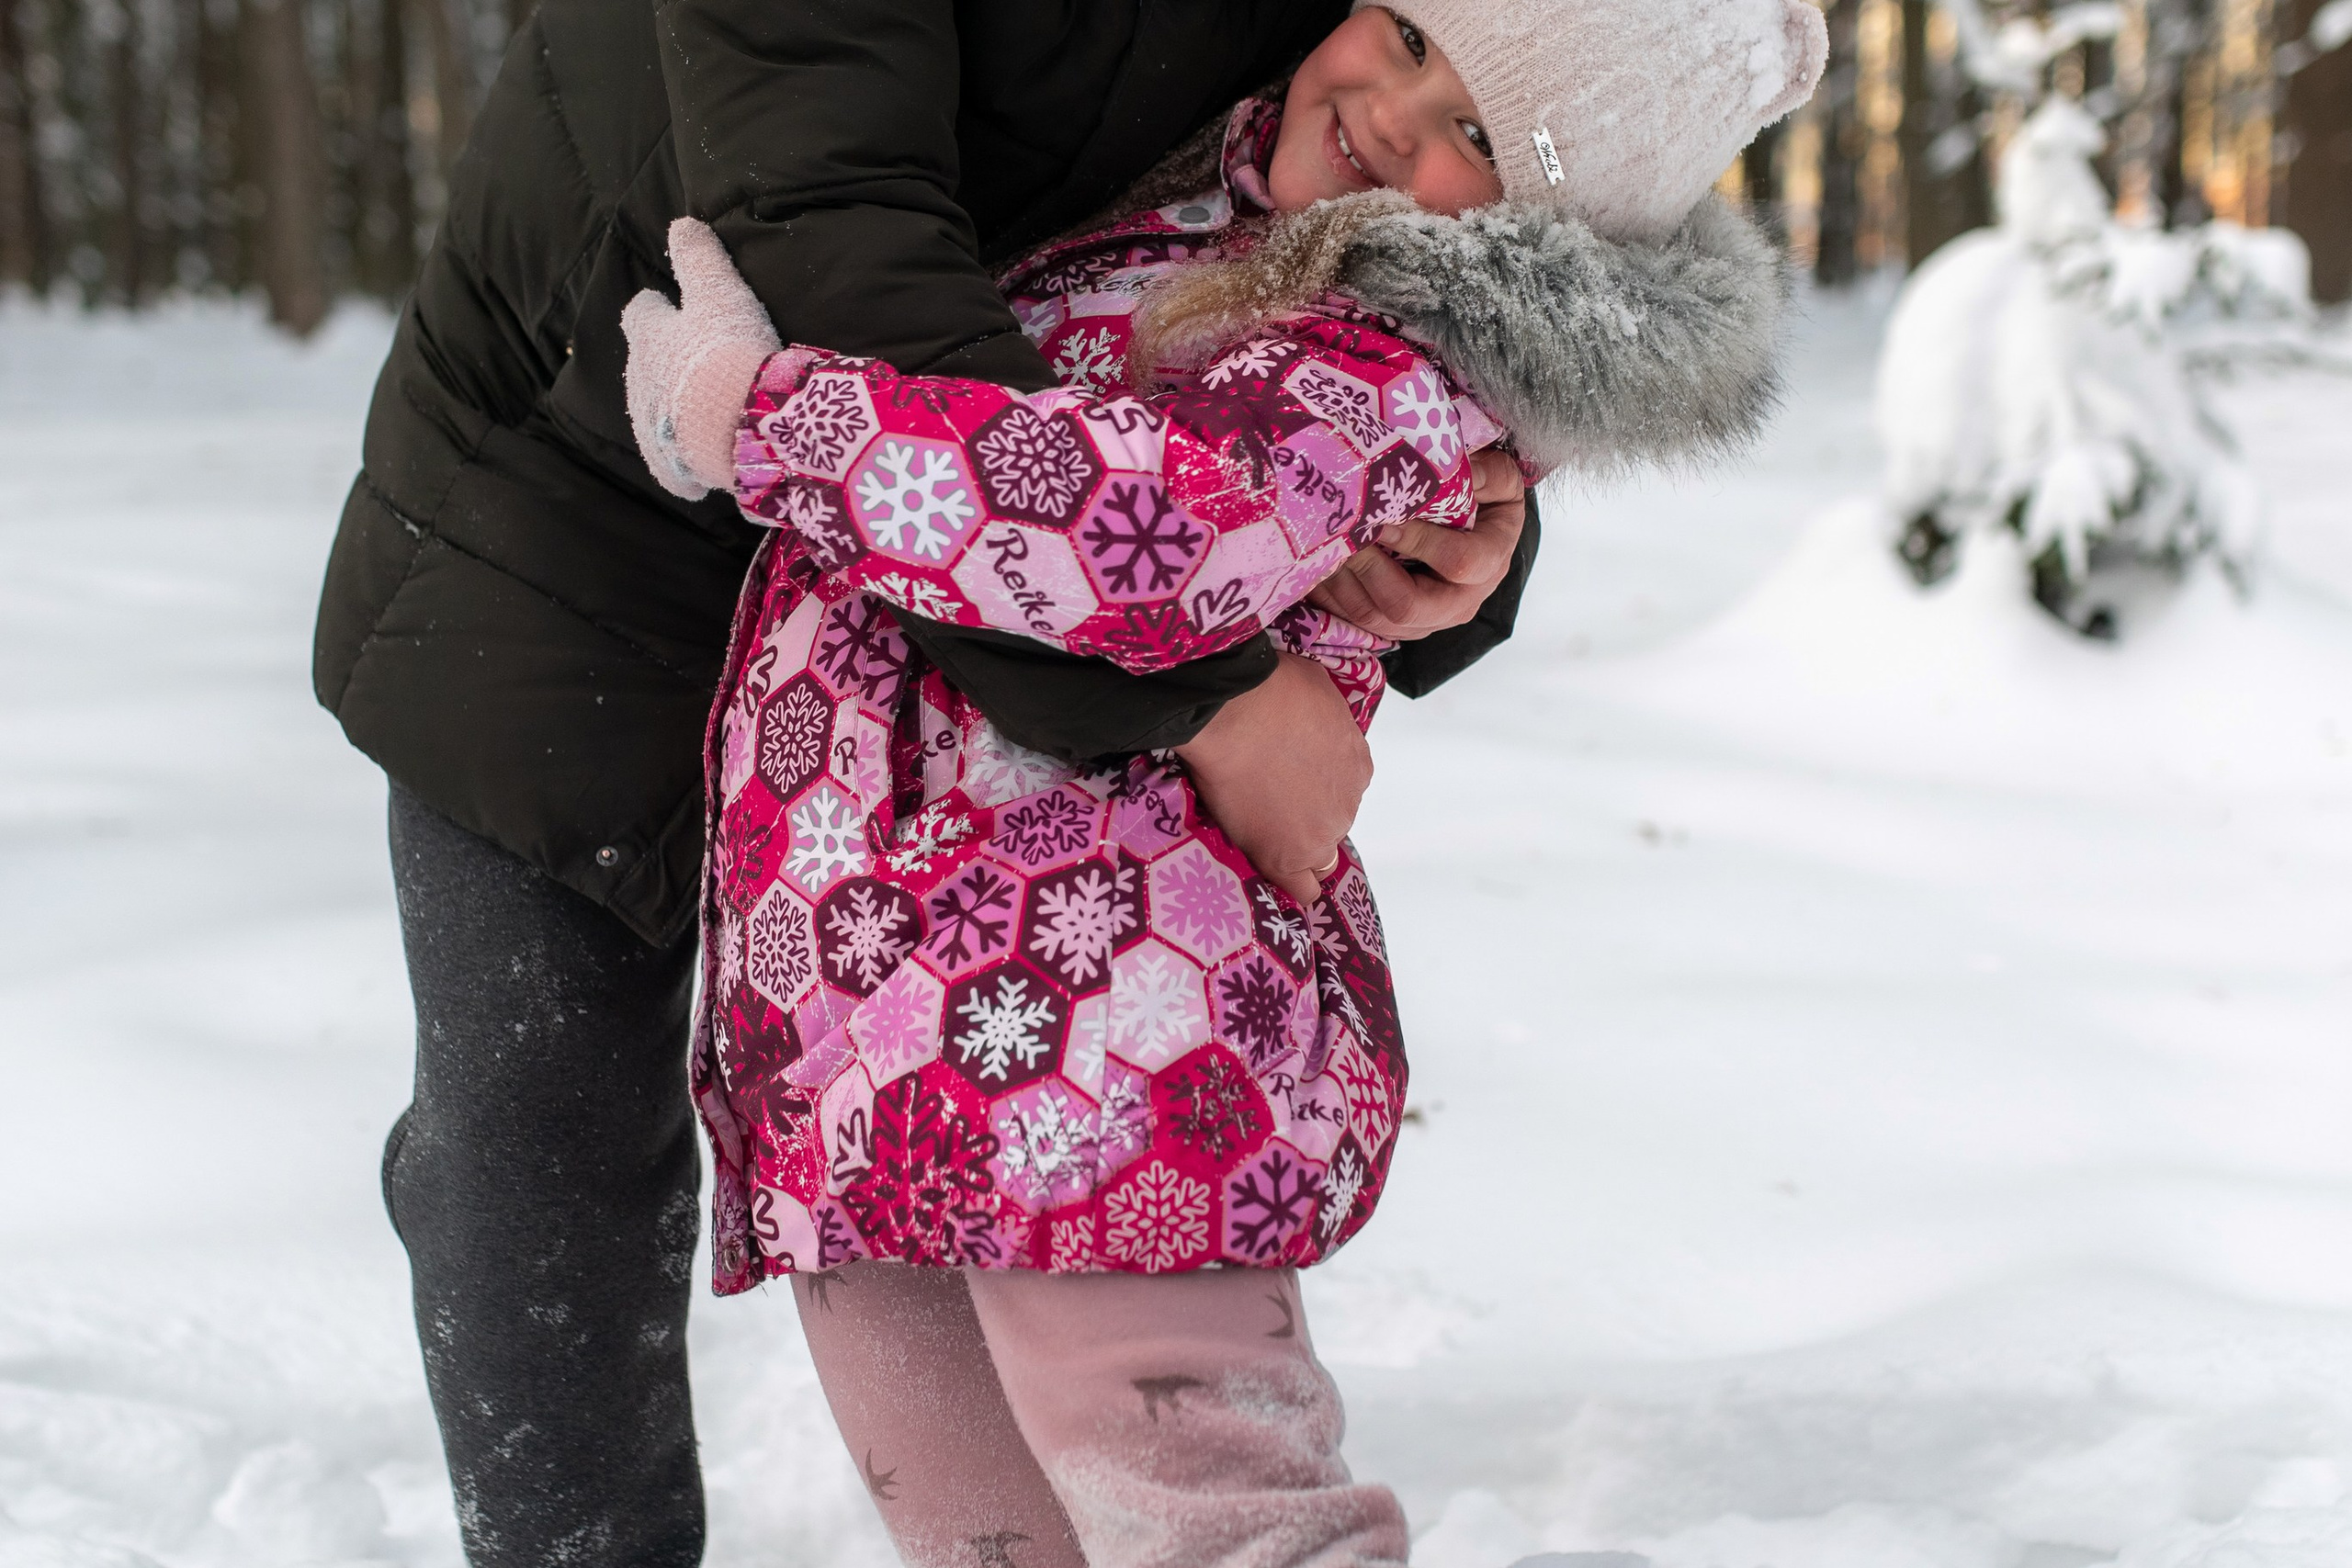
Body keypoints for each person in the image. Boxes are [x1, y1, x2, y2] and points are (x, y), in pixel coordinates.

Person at [311, 0, 1536, 1562]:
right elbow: (834, 227)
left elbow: (1465, 193)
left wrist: (1468, 519)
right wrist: (1204, 692)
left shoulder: (1395, 66)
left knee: (996, 1174)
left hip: (969, 562)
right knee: (541, 1130)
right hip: (591, 497)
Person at [619, 2, 1824, 1562]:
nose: (1393, 111)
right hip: (867, 1032)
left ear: (1549, 224)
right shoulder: (1195, 208)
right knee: (987, 1535)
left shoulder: (1381, 363)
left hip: (1104, 1047)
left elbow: (1127, 537)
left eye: (1474, 134)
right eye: (1403, 36)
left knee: (1220, 1521)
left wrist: (758, 413)